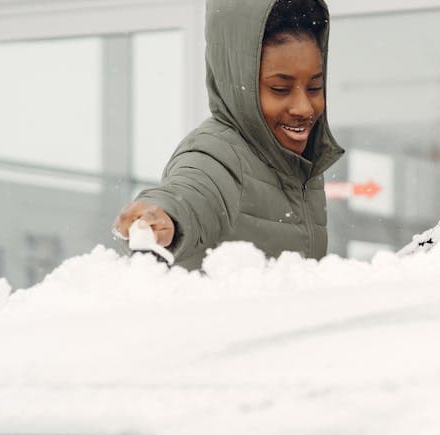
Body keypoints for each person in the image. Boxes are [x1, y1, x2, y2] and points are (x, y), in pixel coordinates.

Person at [113, 0, 344, 269]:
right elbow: (191, 192)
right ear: (238, 83)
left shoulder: (299, 167)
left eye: (315, 87)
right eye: (280, 89)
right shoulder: (217, 153)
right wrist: (163, 215)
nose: (304, 108)